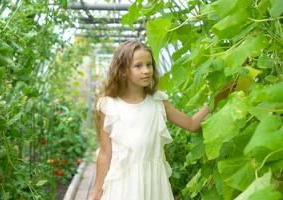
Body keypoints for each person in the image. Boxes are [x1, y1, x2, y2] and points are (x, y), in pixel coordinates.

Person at [89, 40, 230, 200]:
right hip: (123, 185)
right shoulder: (109, 105)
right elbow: (105, 154)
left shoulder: (157, 101)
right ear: (122, 70)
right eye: (138, 66)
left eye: (149, 65)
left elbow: (191, 124)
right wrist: (96, 191)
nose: (146, 70)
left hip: (154, 184)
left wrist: (217, 98)